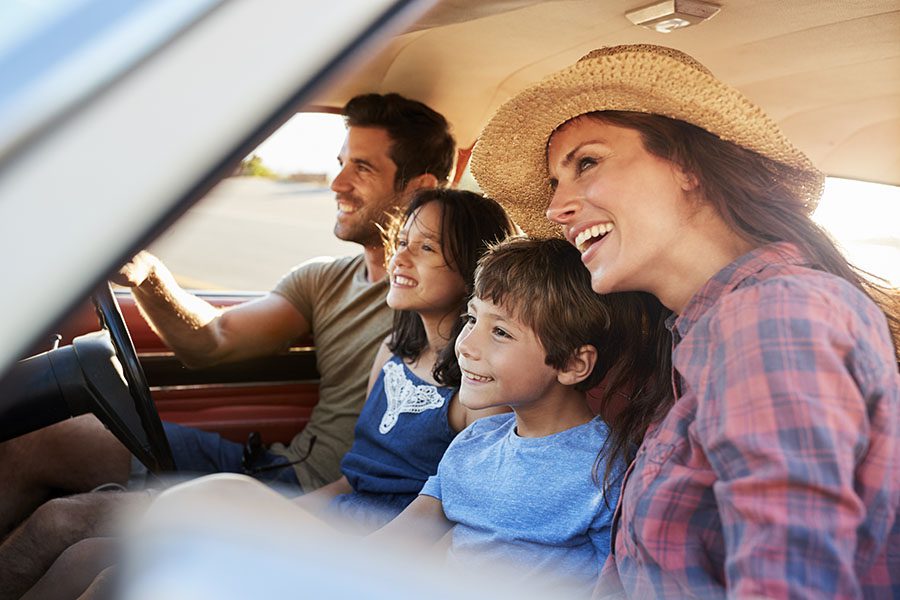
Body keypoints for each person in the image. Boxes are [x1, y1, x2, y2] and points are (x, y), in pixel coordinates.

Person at [470, 44, 900, 598]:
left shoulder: (772, 318)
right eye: (556, 182)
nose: (557, 208)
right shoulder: (704, 330)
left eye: (587, 163)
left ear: (689, 166)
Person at [0, 92, 455, 595]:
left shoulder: (455, 299)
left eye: (362, 168)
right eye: (340, 162)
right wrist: (145, 274)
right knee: (33, 437)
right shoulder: (322, 279)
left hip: (315, 495)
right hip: (264, 462)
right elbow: (211, 341)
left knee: (63, 524)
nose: (336, 182)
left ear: (420, 188)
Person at [376, 237, 664, 597]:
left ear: (574, 364)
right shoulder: (473, 443)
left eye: (500, 332)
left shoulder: (608, 469)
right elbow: (400, 538)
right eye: (471, 318)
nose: (465, 345)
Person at [294, 188, 517, 533]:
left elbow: (454, 517)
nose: (398, 259)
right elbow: (352, 480)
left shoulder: (478, 389)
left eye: (426, 247)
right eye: (401, 243)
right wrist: (281, 516)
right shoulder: (392, 351)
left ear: (474, 269)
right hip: (341, 518)